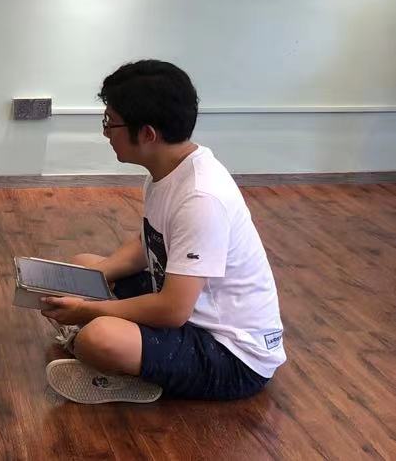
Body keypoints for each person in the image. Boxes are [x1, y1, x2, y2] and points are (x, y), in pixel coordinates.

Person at [42, 60, 286, 403]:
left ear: (147, 134)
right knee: (81, 265)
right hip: (188, 313)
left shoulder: (201, 197)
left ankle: (129, 371)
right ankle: (128, 354)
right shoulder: (169, 170)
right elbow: (149, 244)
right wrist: (86, 277)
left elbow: (172, 311)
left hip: (232, 356)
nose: (105, 132)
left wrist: (86, 311)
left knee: (98, 338)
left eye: (110, 123)